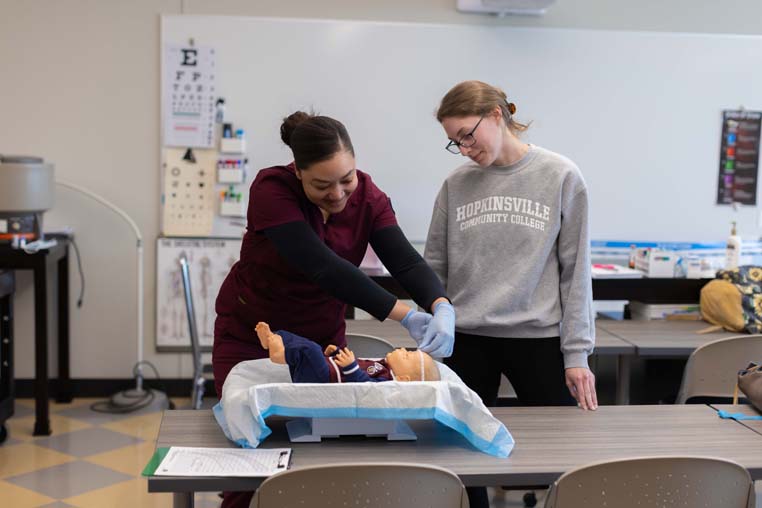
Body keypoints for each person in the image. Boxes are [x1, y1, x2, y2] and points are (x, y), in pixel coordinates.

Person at [213, 111, 454, 508]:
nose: (339, 194)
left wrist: (440, 304)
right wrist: (406, 315)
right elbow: (322, 266)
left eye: (348, 179)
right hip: (252, 338)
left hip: (322, 342)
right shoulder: (272, 189)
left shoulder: (369, 197)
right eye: (322, 185)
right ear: (298, 173)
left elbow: (406, 262)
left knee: (324, 448)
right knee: (252, 454)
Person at [425, 81, 597, 506]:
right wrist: (433, 328)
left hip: (537, 339)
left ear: (497, 115)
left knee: (567, 457)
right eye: (454, 141)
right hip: (467, 339)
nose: (464, 147)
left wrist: (577, 355)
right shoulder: (455, 185)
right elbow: (432, 268)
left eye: (467, 134)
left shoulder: (560, 176)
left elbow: (576, 273)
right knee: (460, 462)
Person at [255, 322, 440, 382]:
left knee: (310, 349)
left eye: (407, 355)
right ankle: (275, 338)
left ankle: (280, 355)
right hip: (327, 368)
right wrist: (335, 354)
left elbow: (365, 386)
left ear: (403, 379)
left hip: (324, 376)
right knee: (307, 344)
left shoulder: (386, 379)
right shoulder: (382, 365)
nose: (402, 349)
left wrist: (351, 366)